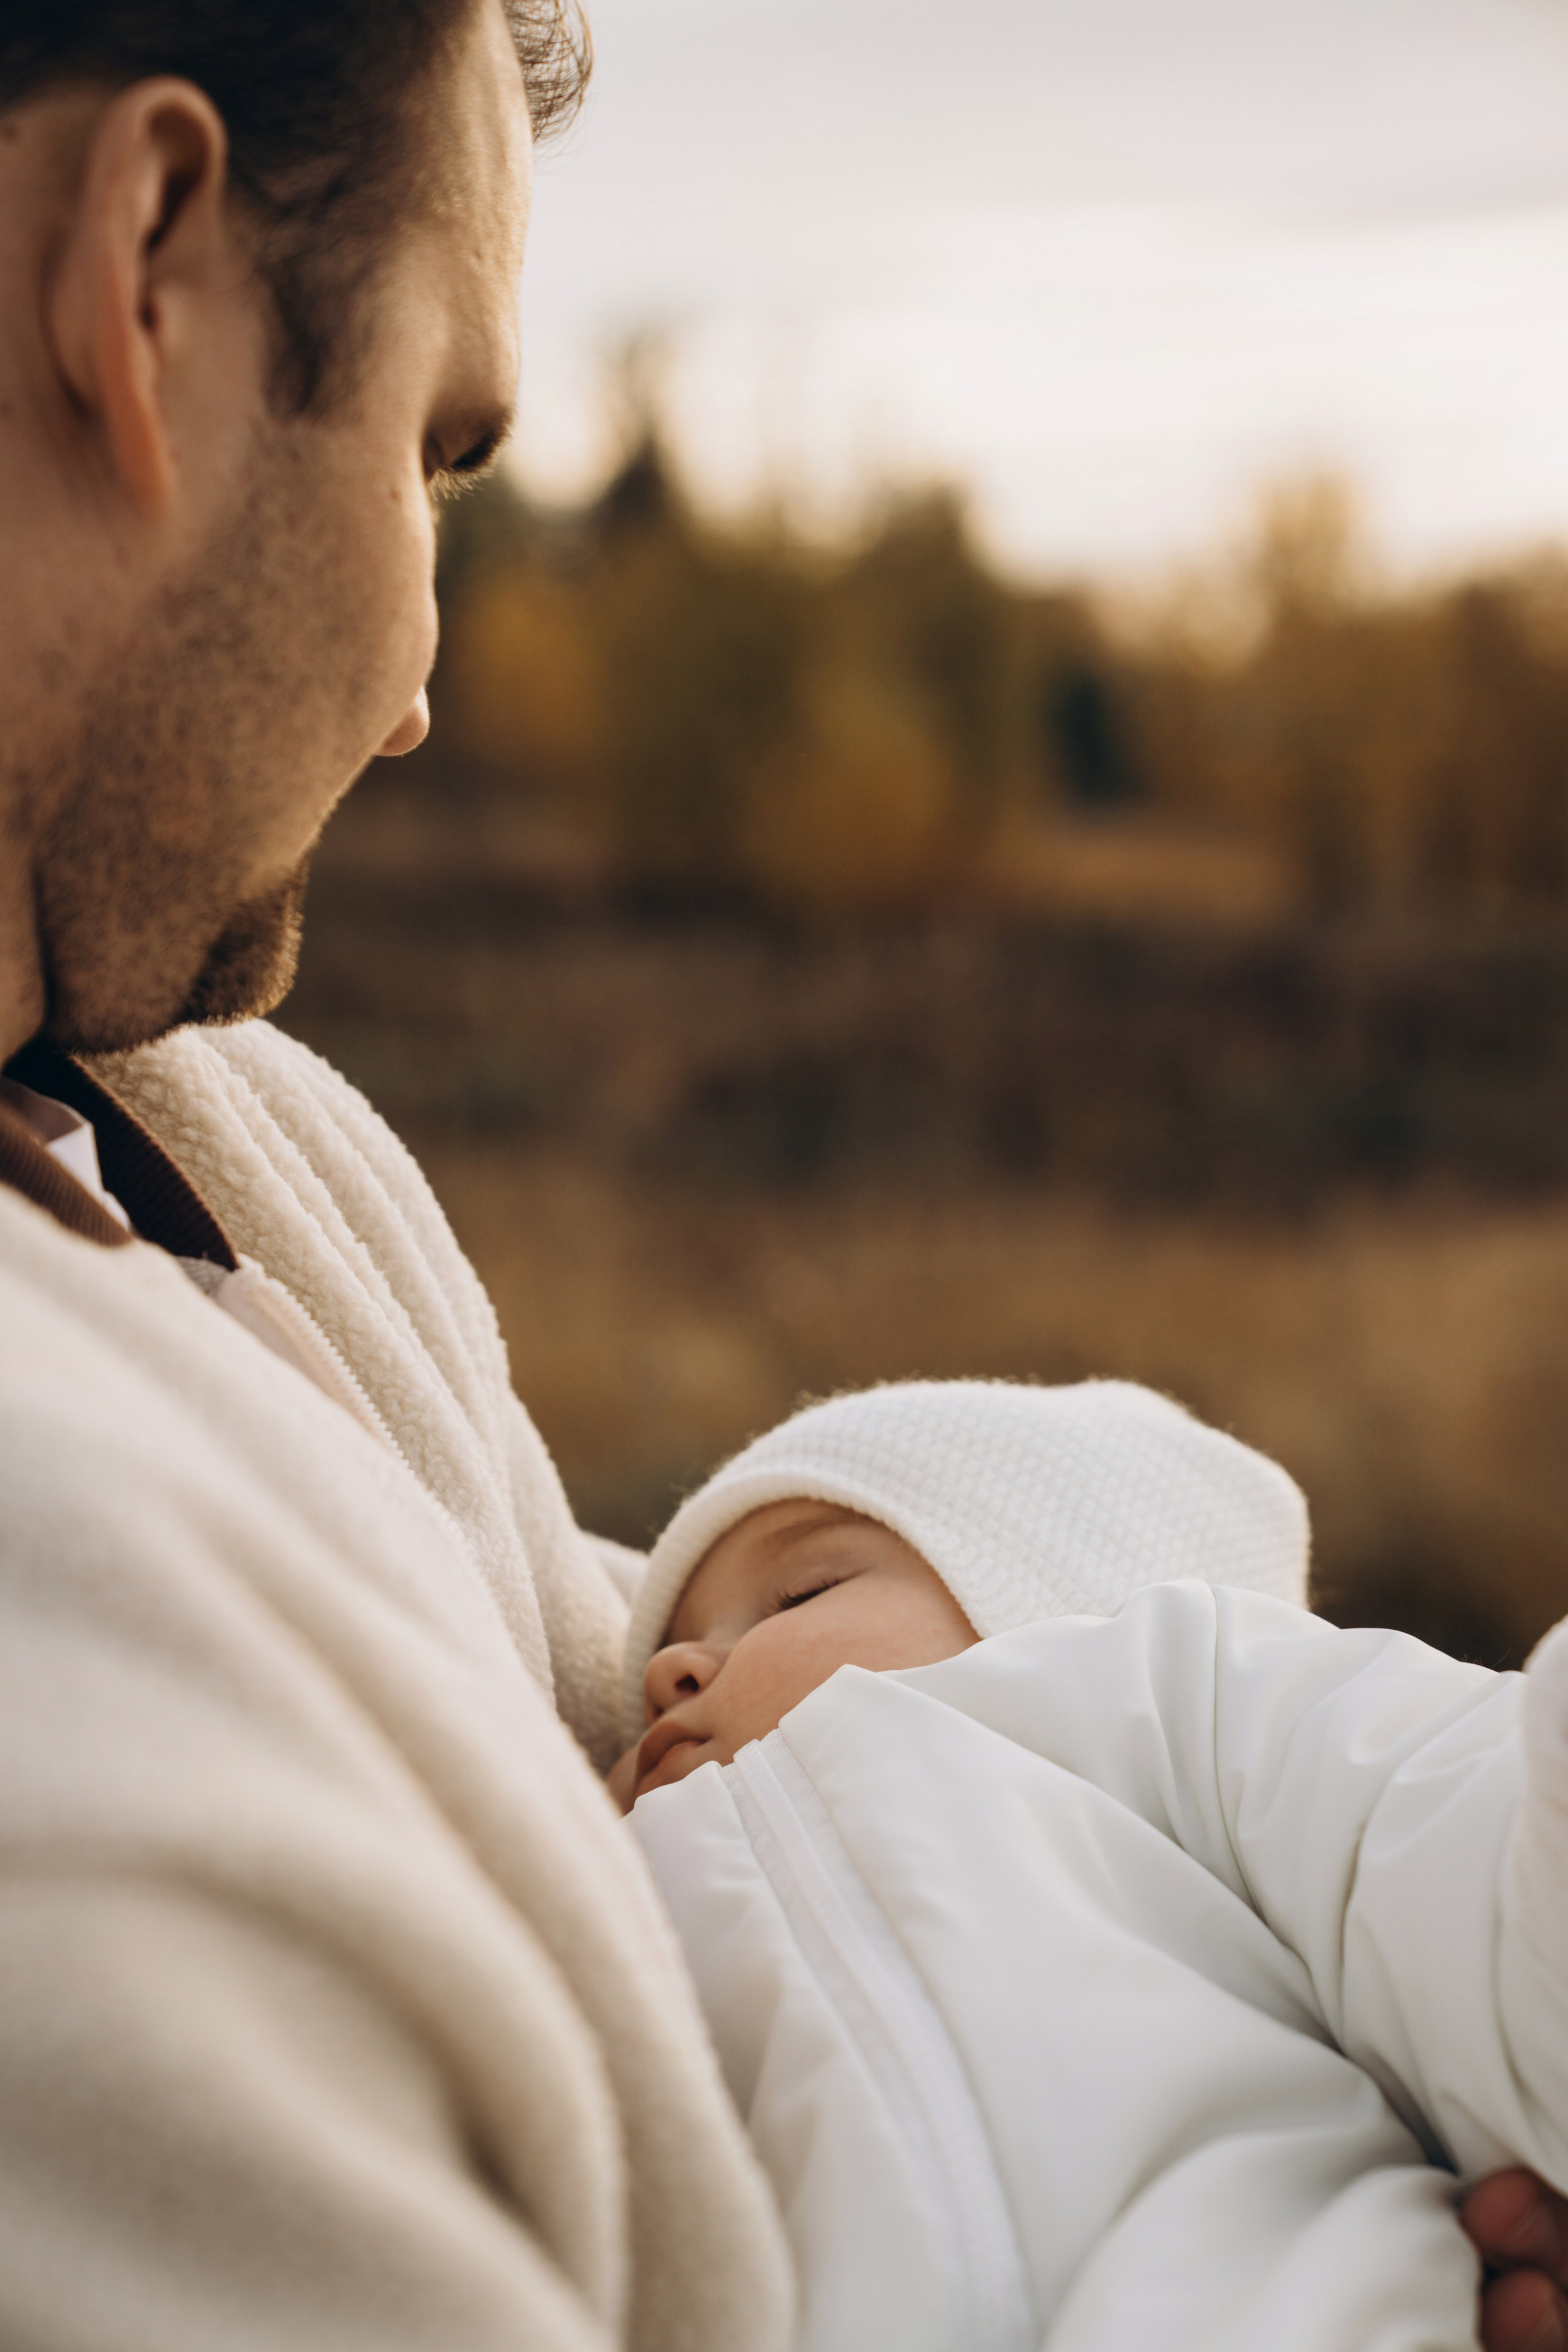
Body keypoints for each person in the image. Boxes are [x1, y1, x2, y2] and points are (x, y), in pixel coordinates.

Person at [0, 2, 1556, 2346]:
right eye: (435, 450)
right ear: (141, 267)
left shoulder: (230, 1132)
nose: (426, 682)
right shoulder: (70, 1677)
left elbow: (643, 1666)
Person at [615, 1378, 1568, 2350]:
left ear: (1049, 1601)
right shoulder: (622, 1879)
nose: (672, 1668)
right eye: (668, 1660)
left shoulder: (1176, 1703)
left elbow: (1464, 1873)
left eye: (802, 1591)